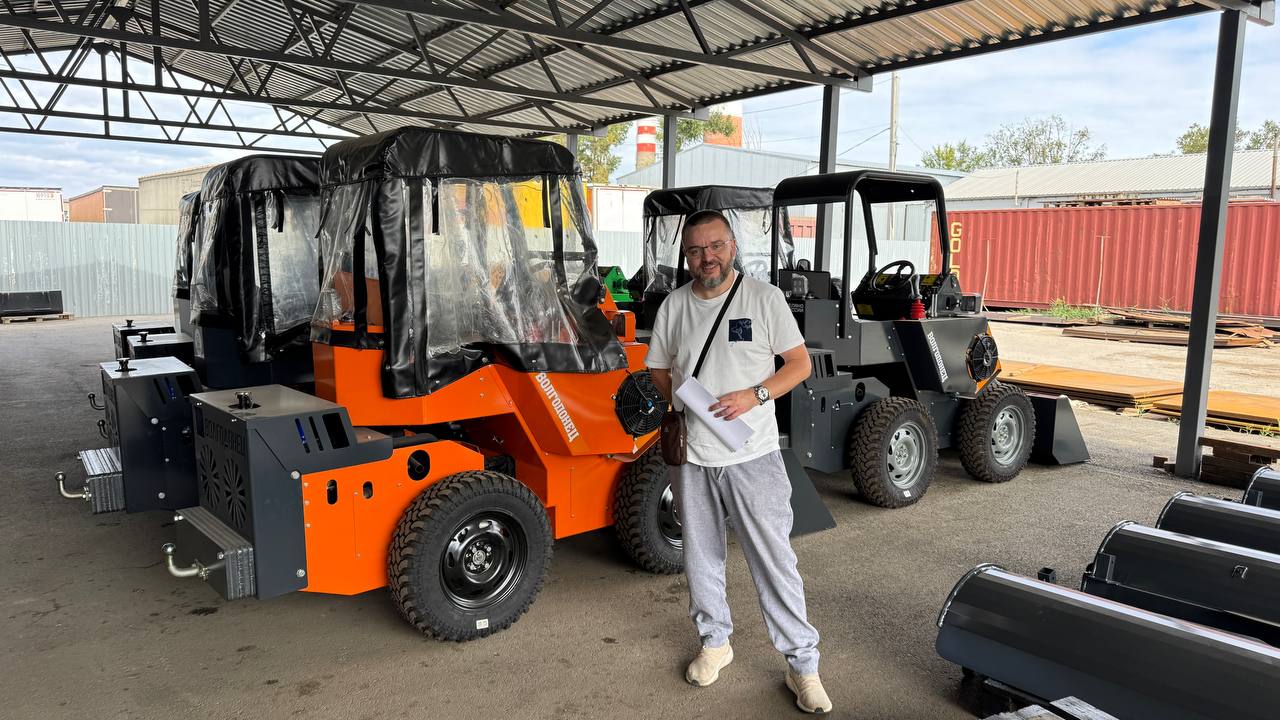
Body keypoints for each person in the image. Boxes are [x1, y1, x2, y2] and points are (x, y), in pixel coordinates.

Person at [645, 210, 831, 714]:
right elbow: (659, 368)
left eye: (715, 246)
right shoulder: (675, 306)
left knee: (774, 560)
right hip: (693, 458)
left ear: (732, 245)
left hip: (754, 454)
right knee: (700, 554)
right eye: (695, 250)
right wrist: (684, 401)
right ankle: (715, 642)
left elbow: (799, 364)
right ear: (686, 256)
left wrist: (755, 395)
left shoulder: (764, 298)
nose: (706, 258)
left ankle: (803, 665)